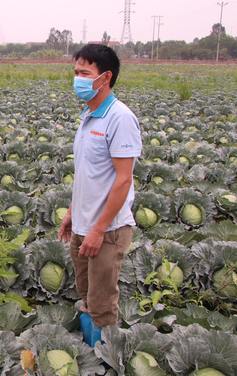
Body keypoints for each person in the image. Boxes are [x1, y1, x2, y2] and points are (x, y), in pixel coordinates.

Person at [58, 44, 142, 347]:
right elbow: (87, 174)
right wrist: (72, 212)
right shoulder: (89, 115)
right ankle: (91, 348)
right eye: (76, 72)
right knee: (87, 294)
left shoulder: (120, 118)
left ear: (105, 77)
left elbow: (122, 181)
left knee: (103, 303)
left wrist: (97, 229)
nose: (77, 78)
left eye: (84, 73)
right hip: (83, 225)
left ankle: (105, 359)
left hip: (106, 230)